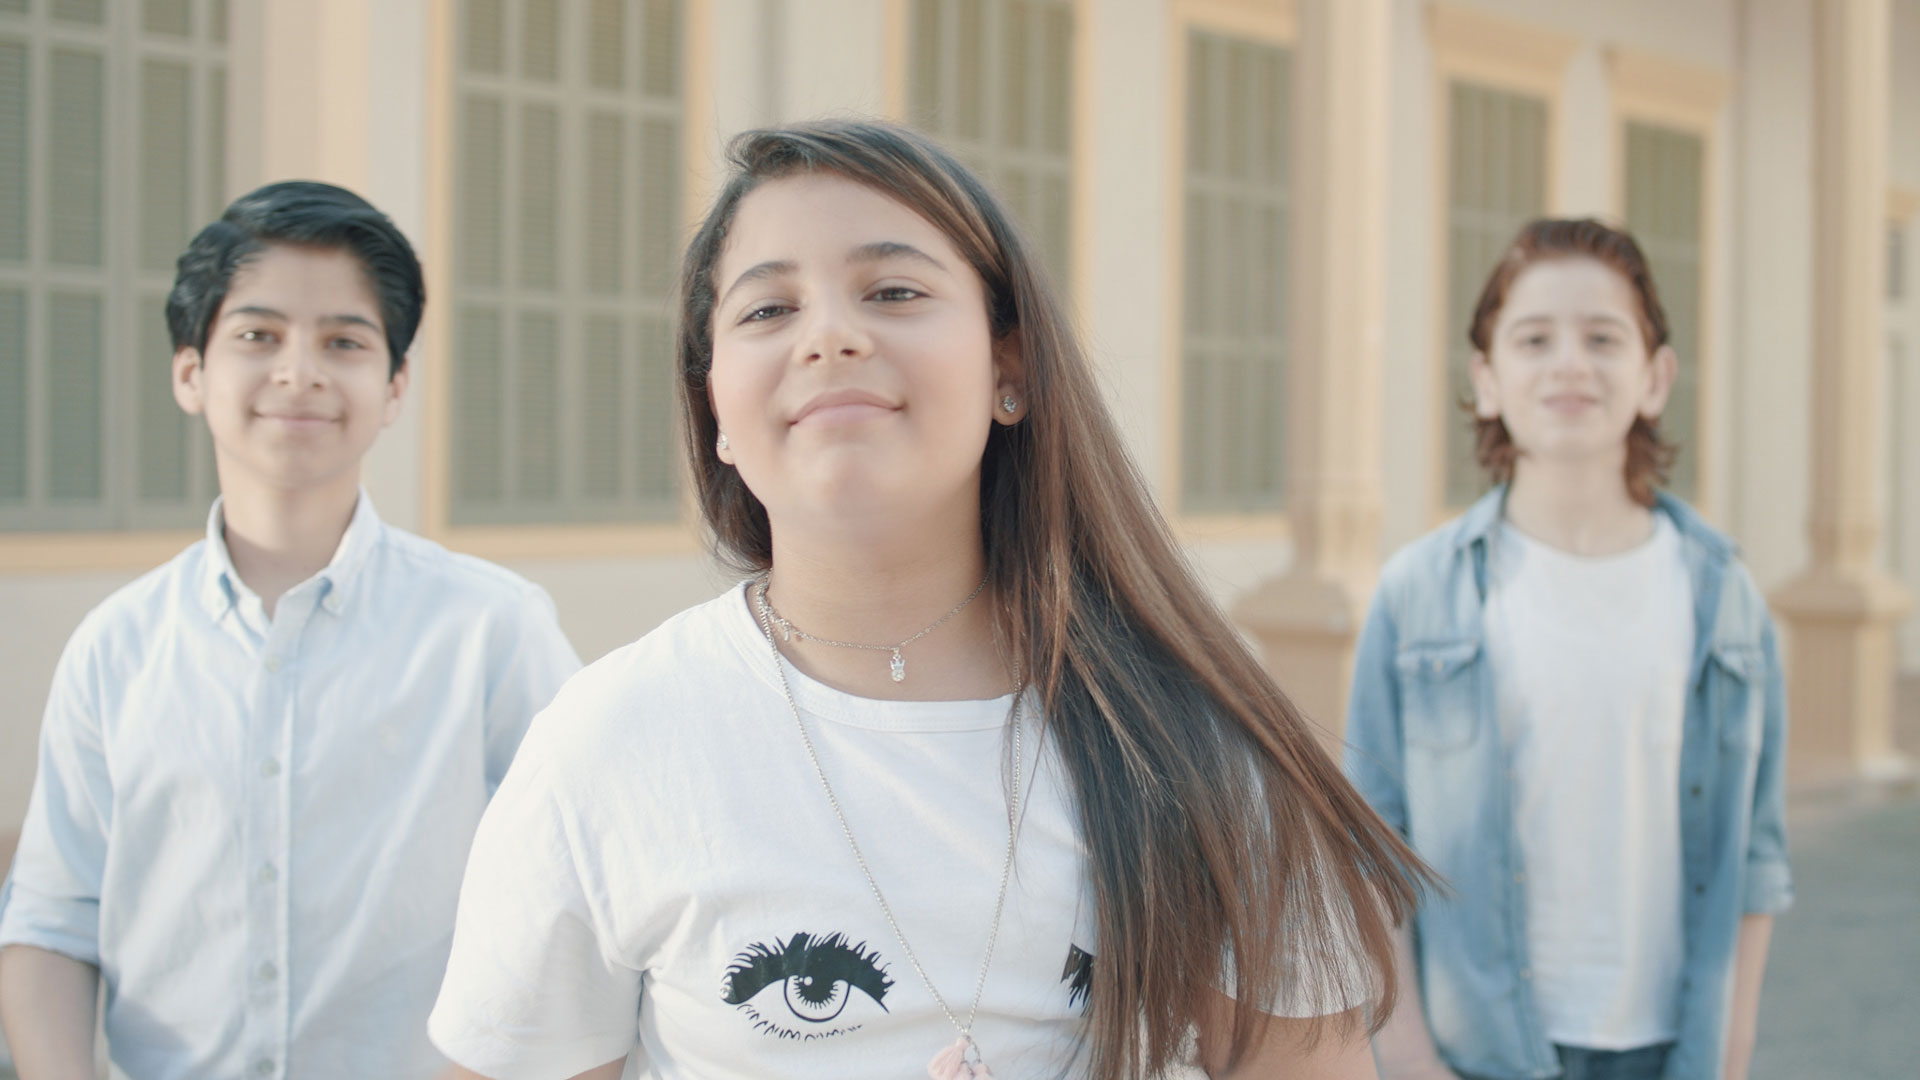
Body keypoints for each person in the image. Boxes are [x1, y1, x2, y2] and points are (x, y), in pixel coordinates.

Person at [427, 119, 1432, 1080]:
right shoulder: (609, 744)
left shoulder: (1188, 746)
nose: (830, 336)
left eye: (894, 291)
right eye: (768, 310)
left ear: (1009, 367)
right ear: (714, 408)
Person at [0, 181, 582, 1079]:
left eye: (343, 342)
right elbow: (50, 923)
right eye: (257, 335)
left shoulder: (492, 632)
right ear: (190, 373)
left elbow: (576, 898)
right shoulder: (116, 648)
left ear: (394, 386)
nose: (299, 372)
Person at [1345, 218, 1790, 1080]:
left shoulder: (1725, 598)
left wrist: (1731, 1056)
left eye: (1603, 337)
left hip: (1672, 1052)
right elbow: (1371, 850)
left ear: (1655, 377)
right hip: (1477, 1054)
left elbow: (1758, 861)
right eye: (1535, 339)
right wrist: (1408, 1058)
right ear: (1486, 379)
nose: (1570, 364)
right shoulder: (1416, 595)